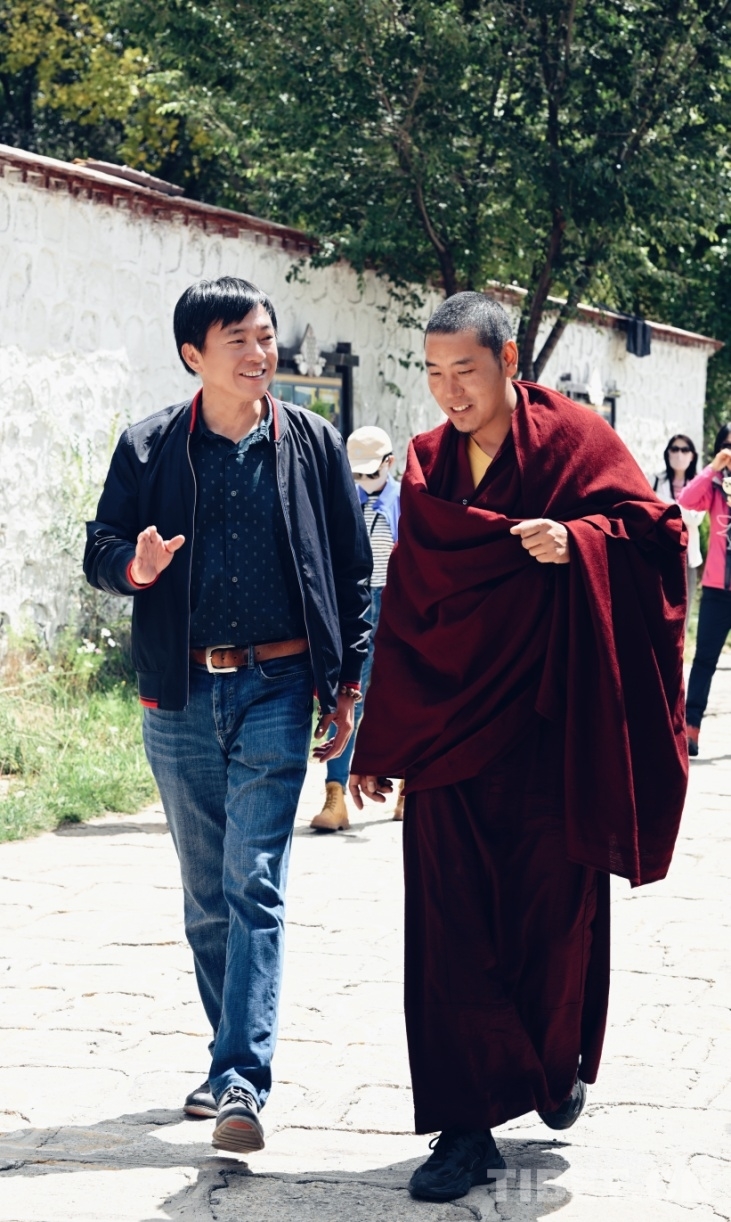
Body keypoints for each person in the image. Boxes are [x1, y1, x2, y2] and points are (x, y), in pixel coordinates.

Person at [349, 292, 688, 1204]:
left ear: (506, 362)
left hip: (548, 732)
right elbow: (412, 608)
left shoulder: (574, 441)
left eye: (464, 370)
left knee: (549, 919)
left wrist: (579, 541)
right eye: (433, 374)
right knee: (447, 931)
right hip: (449, 737)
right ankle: (464, 1130)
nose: (449, 392)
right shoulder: (426, 464)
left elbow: (659, 536)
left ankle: (551, 1061)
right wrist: (383, 737)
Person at [84, 276, 371, 1155]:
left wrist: (349, 682)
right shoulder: (147, 447)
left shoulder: (312, 444)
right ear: (193, 356)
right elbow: (100, 548)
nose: (258, 353)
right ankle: (225, 1063)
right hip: (179, 692)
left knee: (254, 881)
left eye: (265, 336)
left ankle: (243, 1081)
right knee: (208, 896)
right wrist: (132, 569)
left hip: (278, 685)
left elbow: (352, 570)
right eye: (237, 340)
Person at [310, 425, 402, 831]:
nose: (363, 481)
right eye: (356, 474)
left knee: (406, 694)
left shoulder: (406, 501)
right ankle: (335, 794)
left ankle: (408, 786)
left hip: (398, 605)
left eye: (371, 473)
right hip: (355, 609)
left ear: (389, 463)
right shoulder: (341, 501)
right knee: (350, 695)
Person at [678, 422, 731, 756]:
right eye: (728, 445)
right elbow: (686, 500)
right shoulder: (716, 485)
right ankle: (690, 728)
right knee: (704, 660)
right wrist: (713, 468)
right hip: (717, 589)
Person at [653, 435, 705, 627]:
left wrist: (663, 503)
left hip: (687, 556)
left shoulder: (700, 483)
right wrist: (680, 509)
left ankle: (680, 647)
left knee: (683, 610)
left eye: (684, 450)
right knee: (658, 609)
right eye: (674, 449)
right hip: (659, 552)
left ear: (692, 456)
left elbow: (695, 518)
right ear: (667, 453)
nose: (679, 454)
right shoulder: (655, 481)